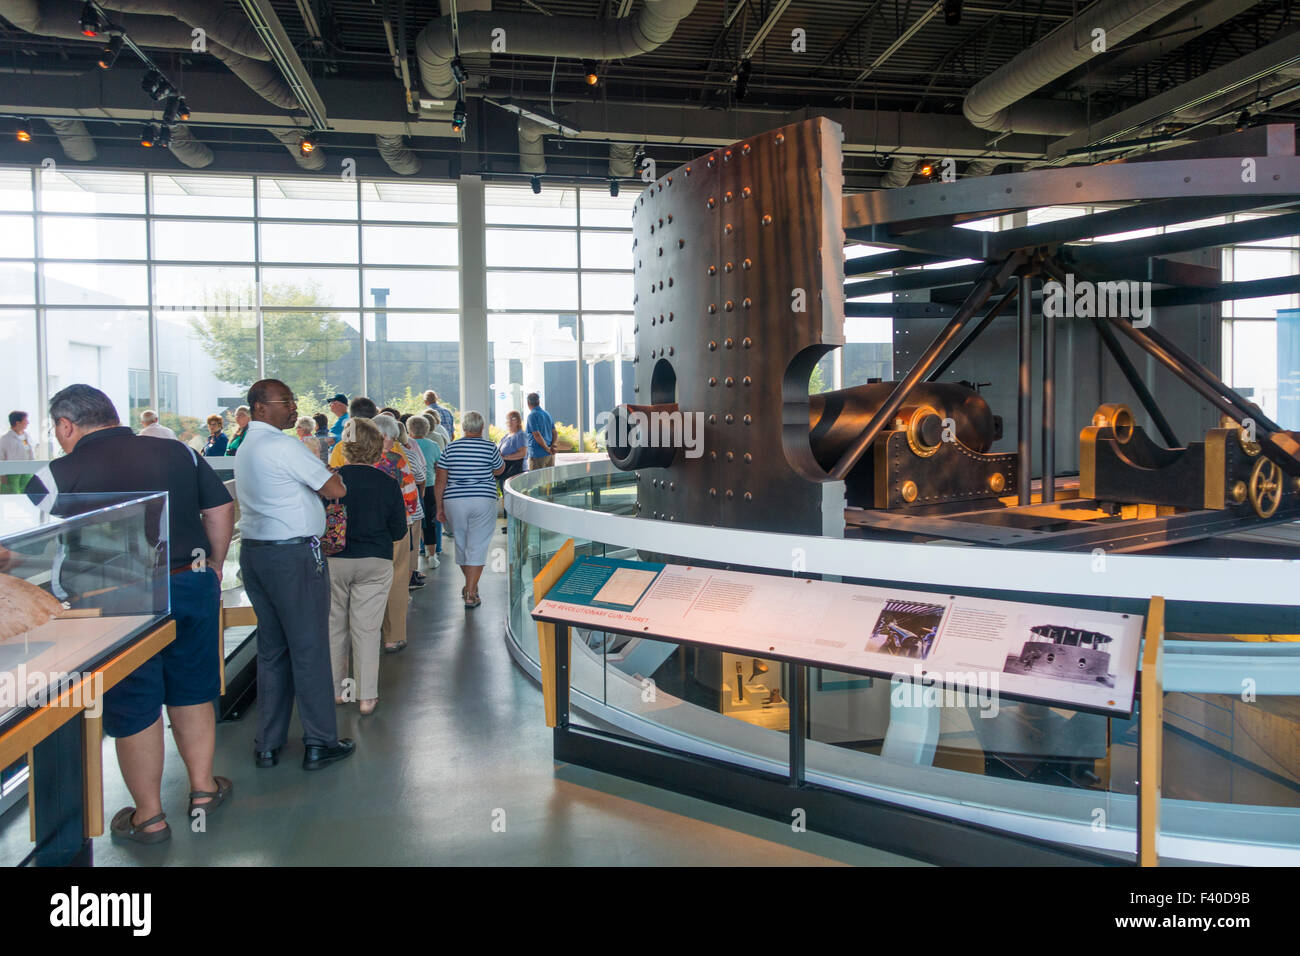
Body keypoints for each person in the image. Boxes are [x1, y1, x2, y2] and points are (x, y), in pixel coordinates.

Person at [26, 384, 235, 844]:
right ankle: (202, 790)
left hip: (112, 600)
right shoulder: (180, 452)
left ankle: (150, 817)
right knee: (194, 687)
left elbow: (37, 544)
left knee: (135, 702)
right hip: (189, 582)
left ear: (66, 425)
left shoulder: (53, 474)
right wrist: (214, 567)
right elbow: (219, 508)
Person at [233, 379, 354, 772]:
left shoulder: (246, 445)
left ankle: (267, 744)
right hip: (293, 557)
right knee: (310, 648)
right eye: (284, 401)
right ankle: (320, 741)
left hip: (256, 553)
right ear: (260, 406)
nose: (292, 406)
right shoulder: (283, 446)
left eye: (292, 400)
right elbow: (335, 487)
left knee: (272, 649)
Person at [327, 419, 406, 717]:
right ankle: (366, 697)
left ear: (346, 448)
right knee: (367, 629)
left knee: (335, 626)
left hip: (335, 559)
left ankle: (338, 691)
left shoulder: (332, 480)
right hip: (375, 560)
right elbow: (399, 530)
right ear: (377, 448)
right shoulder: (387, 483)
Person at [435, 411, 504, 610]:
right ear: (482, 428)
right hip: (483, 499)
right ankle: (471, 593)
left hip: (454, 501)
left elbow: (441, 480)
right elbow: (499, 469)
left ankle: (470, 587)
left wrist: (439, 507)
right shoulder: (489, 447)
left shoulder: (450, 448)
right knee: (478, 546)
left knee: (462, 544)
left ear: (463, 427)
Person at [371, 415, 422, 645]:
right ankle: (393, 637)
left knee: (370, 583)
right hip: (396, 526)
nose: (393, 441)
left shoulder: (358, 458)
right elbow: (411, 496)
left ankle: (370, 633)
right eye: (391, 437)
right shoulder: (396, 461)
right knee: (397, 580)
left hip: (366, 530)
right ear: (384, 436)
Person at [408, 415, 441, 569]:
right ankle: (432, 555)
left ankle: (423, 549)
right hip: (430, 486)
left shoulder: (407, 445)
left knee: (418, 521)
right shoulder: (433, 445)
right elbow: (438, 466)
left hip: (411, 487)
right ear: (427, 429)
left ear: (409, 429)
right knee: (430, 521)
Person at [328, 396, 379, 469]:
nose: (331, 405)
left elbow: (333, 476)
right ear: (376, 416)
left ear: (351, 417)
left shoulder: (341, 448)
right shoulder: (389, 445)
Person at [0, 411, 34, 492]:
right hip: (12, 473)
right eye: (25, 420)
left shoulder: (27, 436)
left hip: (27, 471)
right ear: (17, 423)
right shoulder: (5, 439)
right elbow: (1, 457)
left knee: (27, 495)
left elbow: (30, 454)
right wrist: (2, 475)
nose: (28, 422)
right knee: (14, 495)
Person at [497, 410, 527, 493]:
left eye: (513, 419)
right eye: (508, 419)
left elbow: (522, 453)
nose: (509, 421)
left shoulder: (520, 435)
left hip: (515, 473)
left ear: (518, 421)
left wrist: (505, 457)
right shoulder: (506, 436)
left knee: (513, 498)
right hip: (504, 472)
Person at [525, 392, 555, 471]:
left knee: (536, 481)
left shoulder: (532, 415)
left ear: (528, 403)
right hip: (549, 455)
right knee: (549, 481)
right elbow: (554, 432)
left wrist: (546, 448)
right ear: (539, 402)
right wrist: (552, 446)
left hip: (537, 455)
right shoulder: (547, 414)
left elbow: (537, 435)